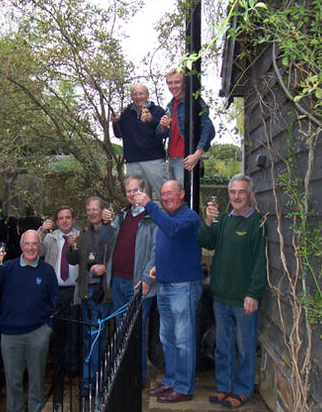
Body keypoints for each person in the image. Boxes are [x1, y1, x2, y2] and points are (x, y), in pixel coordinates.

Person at [197, 174, 266, 409]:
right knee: (223, 345)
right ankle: (223, 386)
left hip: (243, 298)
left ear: (251, 195)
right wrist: (207, 221)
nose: (236, 196)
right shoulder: (224, 219)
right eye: (233, 192)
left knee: (245, 348)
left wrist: (254, 293)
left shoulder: (257, 223)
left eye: (241, 192)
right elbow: (205, 241)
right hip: (221, 296)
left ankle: (243, 390)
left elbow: (260, 262)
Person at [137, 180, 203, 403]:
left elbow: (174, 232)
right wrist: (158, 267)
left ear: (182, 194)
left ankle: (184, 387)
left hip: (183, 287)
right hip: (165, 285)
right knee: (167, 339)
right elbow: (168, 249)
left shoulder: (188, 217)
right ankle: (171, 381)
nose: (165, 198)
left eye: (170, 194)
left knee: (183, 340)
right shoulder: (167, 218)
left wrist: (150, 205)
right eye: (162, 195)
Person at [0, 230, 57, 412]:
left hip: (38, 333)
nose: (31, 248)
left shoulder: (47, 271)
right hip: (11, 335)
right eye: (27, 244)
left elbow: (55, 301)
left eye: (34, 244)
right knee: (13, 383)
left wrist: (48, 329)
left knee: (37, 381)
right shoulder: (7, 268)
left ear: (40, 246)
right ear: (21, 246)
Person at [101, 174, 157, 384]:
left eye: (136, 190)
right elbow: (107, 240)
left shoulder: (152, 216)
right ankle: (123, 377)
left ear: (144, 191)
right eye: (128, 191)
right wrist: (106, 223)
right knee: (120, 331)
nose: (132, 194)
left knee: (135, 334)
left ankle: (137, 378)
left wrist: (146, 279)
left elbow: (156, 251)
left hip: (138, 284)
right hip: (118, 281)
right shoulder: (123, 215)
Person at [65, 196, 114, 392]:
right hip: (86, 292)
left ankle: (93, 382)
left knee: (96, 337)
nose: (92, 212)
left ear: (102, 211)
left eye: (96, 209)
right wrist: (73, 246)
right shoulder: (83, 234)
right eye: (89, 209)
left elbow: (120, 257)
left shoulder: (110, 232)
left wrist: (105, 268)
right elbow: (73, 260)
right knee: (89, 337)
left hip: (102, 294)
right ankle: (90, 381)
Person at [38, 207, 81, 381]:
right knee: (57, 332)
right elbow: (36, 251)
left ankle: (73, 368)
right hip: (55, 291)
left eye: (68, 218)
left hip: (74, 291)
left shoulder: (81, 236)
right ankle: (58, 367)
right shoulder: (49, 238)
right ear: (56, 221)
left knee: (74, 331)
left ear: (73, 219)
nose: (64, 221)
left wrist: (76, 245)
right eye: (61, 218)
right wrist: (41, 231)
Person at [156, 69, 215, 186]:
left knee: (185, 200)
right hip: (172, 159)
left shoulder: (194, 102)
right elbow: (161, 135)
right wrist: (162, 127)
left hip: (186, 159)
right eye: (170, 83)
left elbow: (209, 129)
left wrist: (197, 155)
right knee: (176, 201)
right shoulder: (170, 106)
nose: (173, 86)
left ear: (184, 84)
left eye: (177, 82)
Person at [110, 84, 169, 196]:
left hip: (154, 160)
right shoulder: (127, 113)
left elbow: (164, 133)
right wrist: (115, 122)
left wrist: (151, 120)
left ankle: (170, 214)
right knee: (137, 198)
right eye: (134, 94)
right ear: (131, 97)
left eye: (141, 93)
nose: (138, 97)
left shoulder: (157, 111)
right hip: (133, 162)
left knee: (165, 195)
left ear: (147, 95)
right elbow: (118, 134)